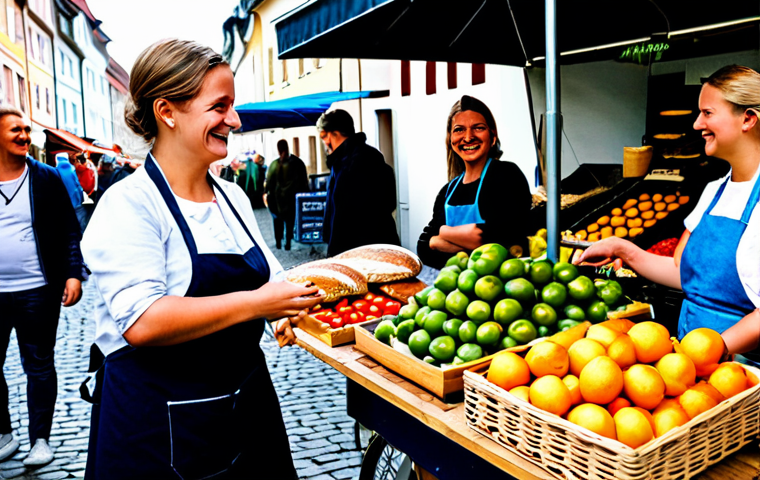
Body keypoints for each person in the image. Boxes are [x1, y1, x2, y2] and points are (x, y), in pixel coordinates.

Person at [80, 39, 322, 480]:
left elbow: (273, 279)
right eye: (219, 106)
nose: (234, 119)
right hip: (157, 428)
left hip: (245, 408)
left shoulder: (231, 197)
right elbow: (144, 321)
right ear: (167, 111)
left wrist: (289, 310)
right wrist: (257, 305)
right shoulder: (129, 204)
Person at [577, 65, 760, 363]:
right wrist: (625, 249)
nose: (697, 124)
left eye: (708, 113)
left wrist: (708, 353)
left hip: (742, 371)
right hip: (694, 363)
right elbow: (689, 277)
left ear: (748, 119)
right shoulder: (715, 191)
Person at [0, 106, 84, 466]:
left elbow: (69, 228)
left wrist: (73, 273)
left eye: (25, 130)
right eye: (15, 130)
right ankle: (4, 434)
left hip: (38, 288)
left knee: (38, 363)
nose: (24, 136)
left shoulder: (47, 178)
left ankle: (41, 440)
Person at [416, 95, 532, 269]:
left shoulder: (507, 175)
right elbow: (424, 246)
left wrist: (443, 233)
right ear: (450, 139)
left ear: (493, 136)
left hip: (502, 288)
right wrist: (471, 245)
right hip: (455, 291)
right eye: (459, 130)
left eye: (478, 128)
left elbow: (499, 240)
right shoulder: (448, 191)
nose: (468, 137)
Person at [317, 109, 400, 256]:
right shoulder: (350, 159)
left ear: (333, 134)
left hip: (362, 255)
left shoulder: (351, 163)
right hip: (374, 250)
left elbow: (344, 218)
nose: (325, 143)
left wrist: (336, 256)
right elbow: (390, 201)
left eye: (324, 136)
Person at [267, 140, 309, 250]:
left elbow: (269, 184)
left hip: (277, 200)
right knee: (290, 220)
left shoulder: (274, 165)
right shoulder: (297, 163)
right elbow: (304, 181)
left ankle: (278, 242)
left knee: (277, 221)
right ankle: (288, 242)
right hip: (291, 199)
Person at [55, 152, 87, 232]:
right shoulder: (72, 169)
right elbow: (78, 185)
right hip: (76, 202)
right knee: (81, 224)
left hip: (63, 204)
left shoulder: (55, 171)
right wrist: (81, 199)